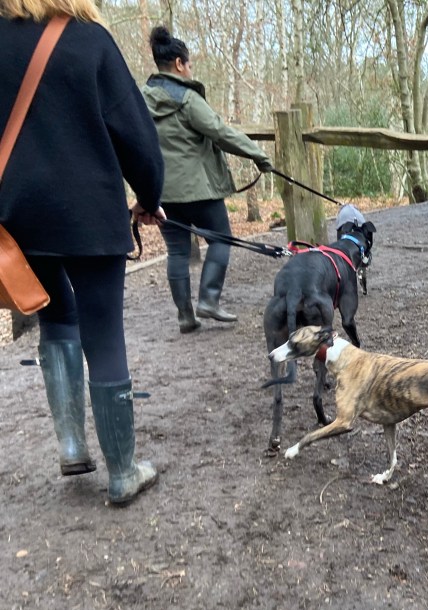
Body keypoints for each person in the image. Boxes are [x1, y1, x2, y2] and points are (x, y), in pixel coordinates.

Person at [0, 0, 165, 504]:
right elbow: (135, 135)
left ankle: (72, 444)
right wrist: (149, 198)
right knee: (105, 334)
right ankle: (121, 472)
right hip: (90, 211)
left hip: (18, 215)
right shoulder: (90, 40)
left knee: (56, 311)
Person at [142, 26, 273, 333]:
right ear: (178, 64)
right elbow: (220, 132)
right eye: (189, 65)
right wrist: (258, 155)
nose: (190, 70)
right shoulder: (186, 99)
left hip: (162, 192)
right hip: (199, 190)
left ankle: (185, 316)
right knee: (220, 238)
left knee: (176, 251)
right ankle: (209, 300)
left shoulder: (140, 99)